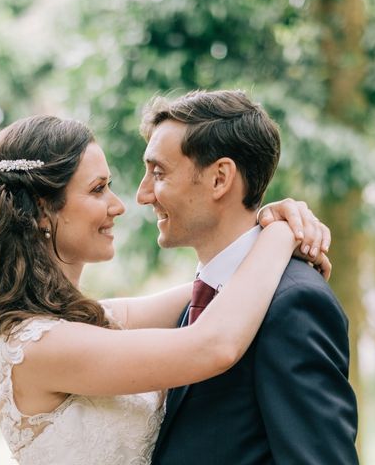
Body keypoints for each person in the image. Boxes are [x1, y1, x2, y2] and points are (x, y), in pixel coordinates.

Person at [0, 115, 331, 465]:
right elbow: (213, 345)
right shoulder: (36, 348)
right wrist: (280, 233)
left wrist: (265, 223)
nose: (119, 205)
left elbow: (213, 285)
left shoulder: (86, 322)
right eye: (98, 190)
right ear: (43, 210)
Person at [136, 90, 359, 464]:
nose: (143, 194)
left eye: (158, 173)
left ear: (220, 178)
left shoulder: (295, 304)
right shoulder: (200, 298)